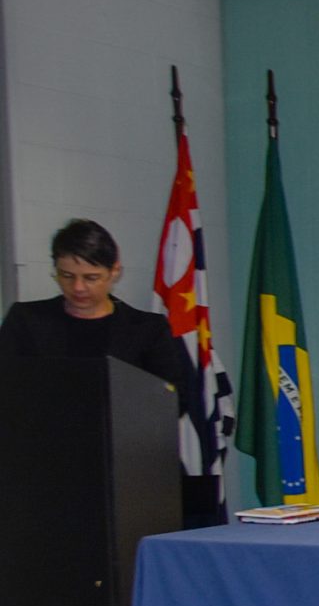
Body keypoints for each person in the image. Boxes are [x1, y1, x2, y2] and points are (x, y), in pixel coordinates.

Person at [2, 219, 214, 524]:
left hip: (128, 473)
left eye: (91, 277)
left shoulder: (147, 329)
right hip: (45, 476)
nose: (78, 288)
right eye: (66, 276)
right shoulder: (26, 321)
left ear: (115, 272)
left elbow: (173, 400)